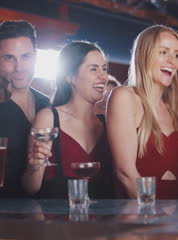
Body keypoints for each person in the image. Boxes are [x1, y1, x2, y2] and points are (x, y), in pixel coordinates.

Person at [107, 25, 178, 199]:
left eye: (177, 55)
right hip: (143, 216)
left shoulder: (177, 106)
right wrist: (152, 214)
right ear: (144, 54)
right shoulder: (124, 97)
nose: (172, 61)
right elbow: (125, 173)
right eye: (163, 52)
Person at [22, 41, 114, 199]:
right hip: (58, 222)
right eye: (94, 69)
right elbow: (31, 188)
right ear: (70, 77)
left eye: (104, 69)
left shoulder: (108, 123)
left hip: (103, 222)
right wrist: (34, 167)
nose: (104, 77)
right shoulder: (48, 118)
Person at [0, 20, 49, 198]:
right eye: (9, 58)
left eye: (25, 56)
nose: (19, 67)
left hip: (41, 213)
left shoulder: (46, 103)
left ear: (35, 56)